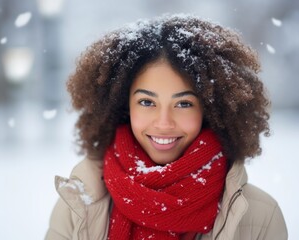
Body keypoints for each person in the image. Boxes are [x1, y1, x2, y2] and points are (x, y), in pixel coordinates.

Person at [45, 14, 288, 240]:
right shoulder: (77, 206)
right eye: (147, 102)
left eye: (183, 103)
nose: (163, 123)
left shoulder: (260, 217)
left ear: (209, 109)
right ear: (124, 106)